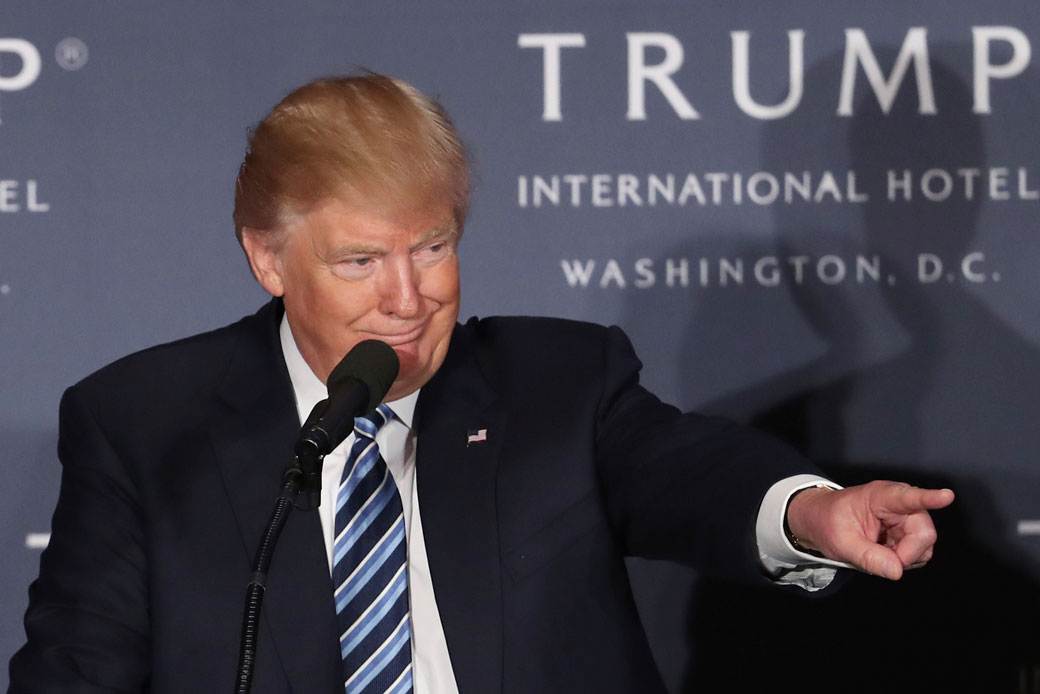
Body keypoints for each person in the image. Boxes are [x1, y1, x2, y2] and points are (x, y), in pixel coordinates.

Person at [9, 75, 953, 693]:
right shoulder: (143, 423)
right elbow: (75, 668)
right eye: (359, 261)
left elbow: (684, 470)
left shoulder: (555, 382)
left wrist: (808, 514)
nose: (408, 299)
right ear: (267, 257)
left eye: (433, 246)